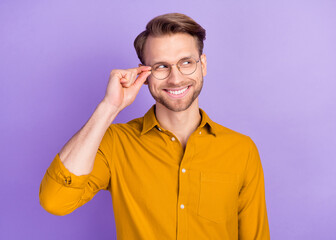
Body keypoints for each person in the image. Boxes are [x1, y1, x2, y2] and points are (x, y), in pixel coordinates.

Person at [39, 13, 270, 239]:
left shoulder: (242, 149)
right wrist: (109, 107)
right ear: (144, 74)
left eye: (186, 62)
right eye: (161, 66)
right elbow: (55, 201)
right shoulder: (115, 143)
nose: (176, 78)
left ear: (203, 65)